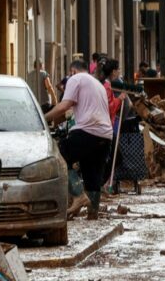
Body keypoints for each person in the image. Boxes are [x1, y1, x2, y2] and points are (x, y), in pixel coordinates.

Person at [44, 60, 114, 219]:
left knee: (59, 156)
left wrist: (43, 117)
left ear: (73, 71)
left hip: (86, 130)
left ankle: (78, 196)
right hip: (105, 134)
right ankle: (92, 214)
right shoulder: (97, 84)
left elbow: (64, 105)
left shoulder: (75, 79)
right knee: (93, 174)